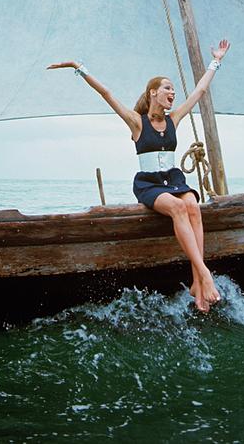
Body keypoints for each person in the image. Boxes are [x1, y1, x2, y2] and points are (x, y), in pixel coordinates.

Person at [47, 39, 230, 312]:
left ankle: (196, 281)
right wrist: (78, 67)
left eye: (174, 89)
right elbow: (107, 93)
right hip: (150, 185)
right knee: (180, 207)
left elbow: (201, 90)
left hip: (174, 179)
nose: (173, 93)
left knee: (193, 205)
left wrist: (216, 61)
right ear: (154, 92)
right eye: (168, 88)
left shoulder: (174, 119)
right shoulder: (137, 122)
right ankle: (204, 274)